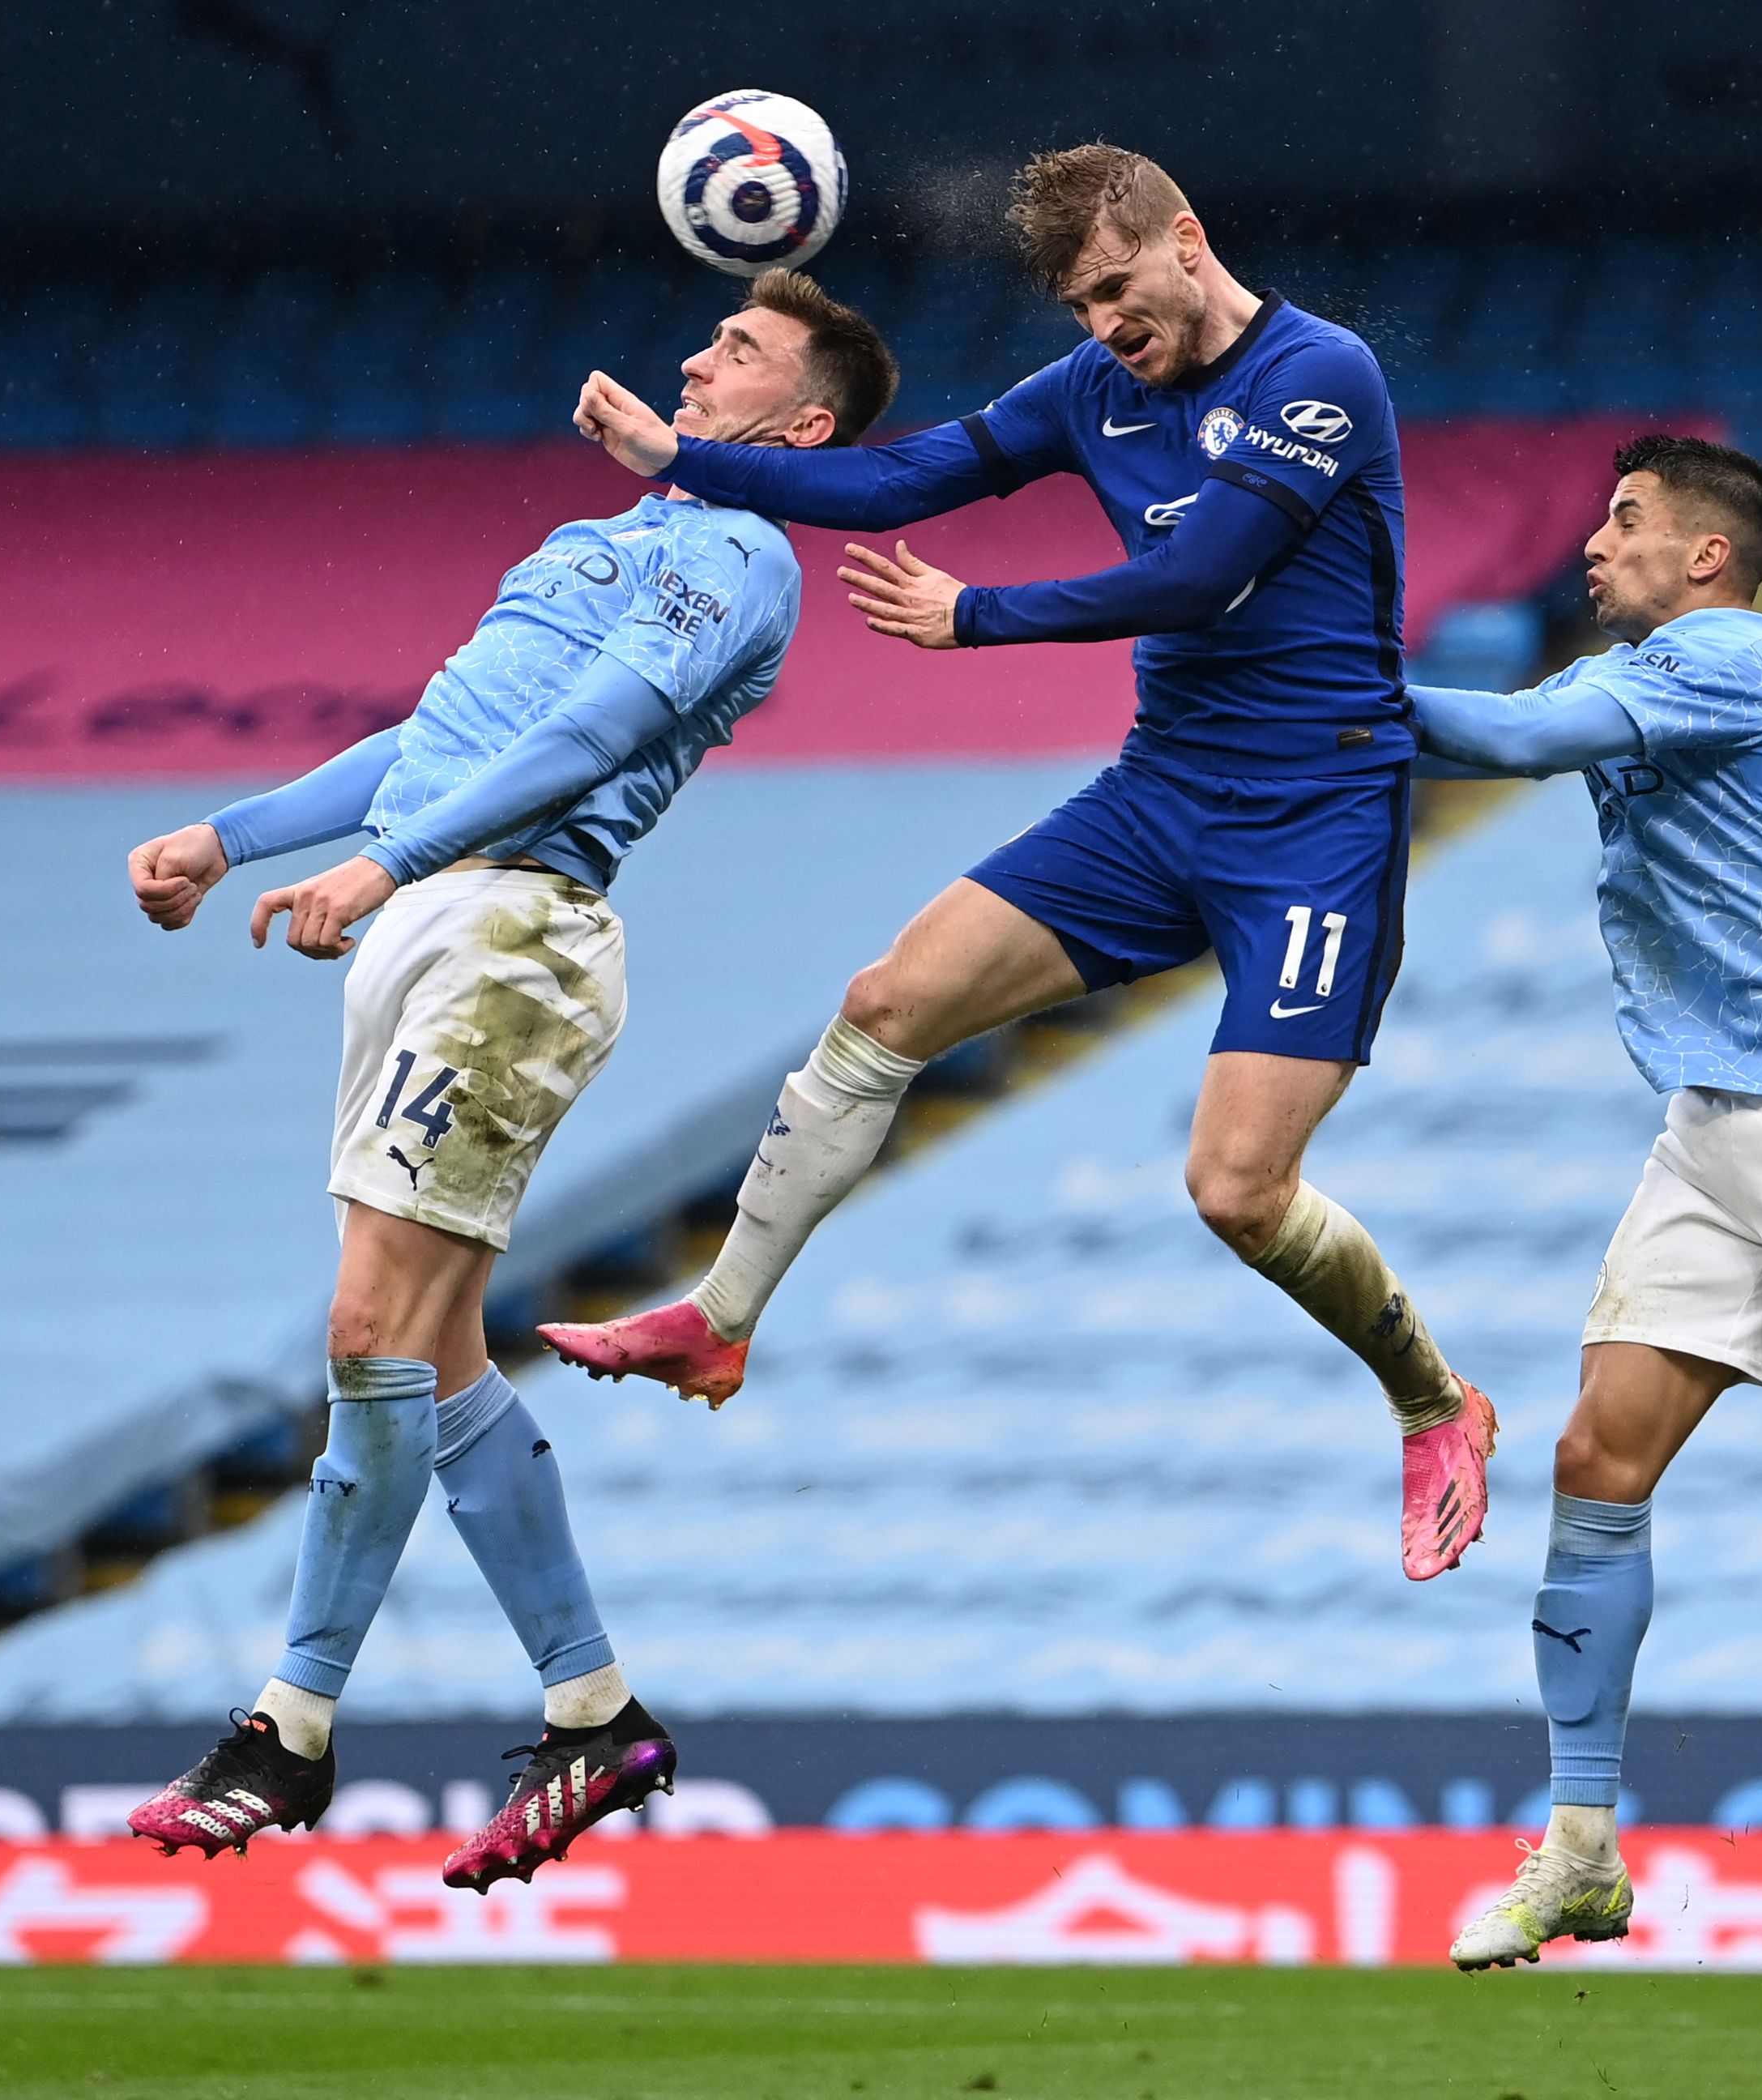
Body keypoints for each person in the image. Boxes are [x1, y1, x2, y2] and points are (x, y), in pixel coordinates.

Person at [551, 143, 1498, 1581]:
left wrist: (976, 616)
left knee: (1238, 1192)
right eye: (1078, 309)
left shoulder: (1320, 376)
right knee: (885, 1004)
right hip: (1159, 795)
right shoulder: (1094, 389)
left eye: (1120, 292)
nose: (1107, 329)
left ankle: (1437, 1401)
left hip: (1314, 821)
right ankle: (722, 1318)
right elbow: (899, 483)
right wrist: (683, 459)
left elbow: (1198, 577)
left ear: (1188, 239)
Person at [114, 267, 897, 1886]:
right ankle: (594, 1710)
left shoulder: (744, 553)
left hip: (512, 932)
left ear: (804, 426)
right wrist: (231, 833)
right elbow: (447, 731)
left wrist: (390, 867)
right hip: (440, 917)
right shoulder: (589, 544)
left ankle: (291, 1726)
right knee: (432, 1355)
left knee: (366, 1333)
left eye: (738, 350)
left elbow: (596, 735)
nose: (696, 355)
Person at [1403, 437, 1762, 2058]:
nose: (1594, 546)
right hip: (1718, 1124)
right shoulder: (1687, 663)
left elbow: (1506, 737)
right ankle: (1584, 1853)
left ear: (1707, 560)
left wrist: (1304, 667)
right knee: (1597, 1458)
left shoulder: (1725, 658)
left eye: (1627, 523)